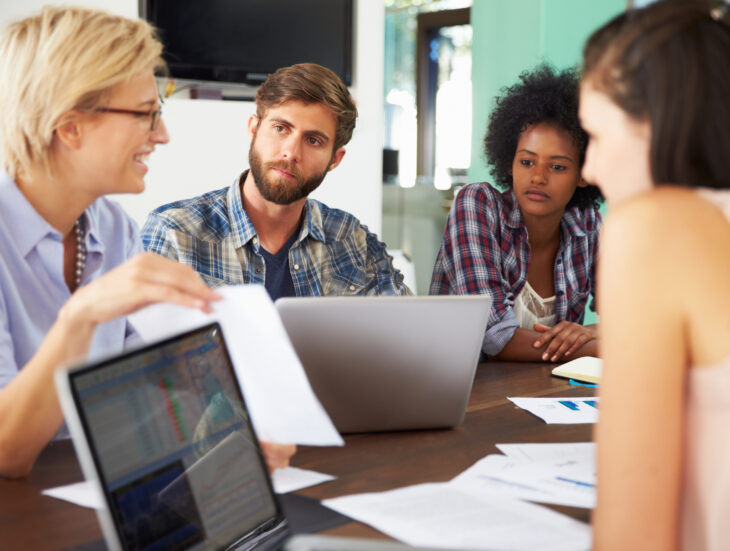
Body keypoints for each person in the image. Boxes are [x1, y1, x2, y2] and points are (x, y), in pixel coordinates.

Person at [0, 7, 293, 478]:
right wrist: (82, 315)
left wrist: (229, 426)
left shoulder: (113, 227)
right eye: (145, 115)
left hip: (90, 493)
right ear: (69, 125)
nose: (162, 135)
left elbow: (148, 389)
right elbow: (6, 452)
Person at [579, 1, 730, 549]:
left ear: (659, 118)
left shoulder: (655, 226)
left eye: (595, 134)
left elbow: (632, 538)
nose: (588, 170)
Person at [142, 63, 411, 300]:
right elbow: (144, 349)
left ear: (335, 159)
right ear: (253, 129)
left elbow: (408, 331)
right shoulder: (174, 233)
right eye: (280, 128)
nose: (291, 153)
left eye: (313, 140)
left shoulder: (352, 240)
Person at [430, 65, 602, 362]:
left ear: (584, 174)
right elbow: (492, 336)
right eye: (526, 162)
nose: (538, 177)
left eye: (557, 166)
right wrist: (600, 347)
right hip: (462, 388)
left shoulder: (587, 223)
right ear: (509, 162)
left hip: (545, 392)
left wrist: (595, 332)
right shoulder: (477, 205)